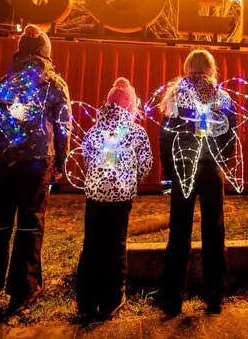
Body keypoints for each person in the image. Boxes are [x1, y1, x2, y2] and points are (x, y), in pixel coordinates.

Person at [0, 24, 71, 322]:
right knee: (30, 224)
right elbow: (64, 126)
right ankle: (22, 291)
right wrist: (62, 162)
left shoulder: (2, 82)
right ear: (46, 53)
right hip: (37, 163)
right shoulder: (54, 83)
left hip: (4, 163)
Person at [156, 49, 236, 315]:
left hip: (183, 168)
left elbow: (166, 136)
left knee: (179, 229)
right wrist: (220, 160)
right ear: (211, 68)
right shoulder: (222, 96)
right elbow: (230, 132)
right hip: (212, 169)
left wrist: (169, 170)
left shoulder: (175, 95)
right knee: (214, 229)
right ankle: (215, 294)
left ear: (188, 67)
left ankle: (171, 296)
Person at [76, 77, 153, 320]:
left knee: (92, 245)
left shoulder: (95, 130)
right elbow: (146, 163)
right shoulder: (136, 132)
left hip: (95, 196)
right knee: (116, 245)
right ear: (130, 107)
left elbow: (87, 158)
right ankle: (112, 299)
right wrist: (131, 180)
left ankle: (87, 301)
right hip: (121, 198)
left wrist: (98, 181)